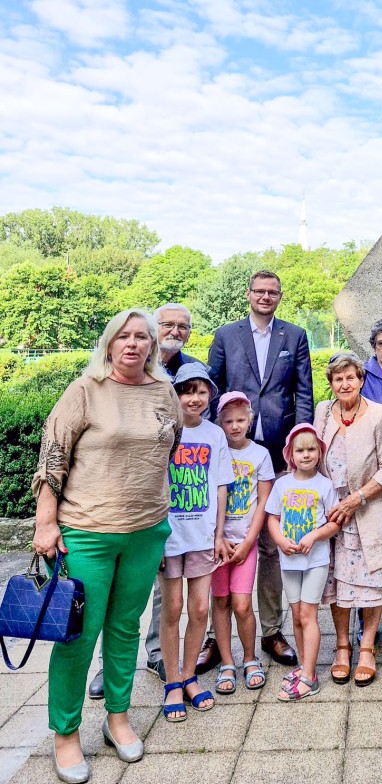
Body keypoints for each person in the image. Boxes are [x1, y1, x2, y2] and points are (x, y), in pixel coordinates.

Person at [31, 309, 182, 782]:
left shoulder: (165, 391)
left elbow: (170, 446)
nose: (133, 344)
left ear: (153, 347)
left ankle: (118, 719)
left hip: (146, 530)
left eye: (143, 337)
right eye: (124, 336)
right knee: (78, 634)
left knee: (125, 630)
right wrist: (46, 522)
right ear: (110, 343)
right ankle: (66, 734)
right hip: (87, 533)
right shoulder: (85, 390)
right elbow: (53, 453)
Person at [89, 302, 200, 699]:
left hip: (160, 502)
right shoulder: (105, 379)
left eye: (182, 326)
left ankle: (156, 653)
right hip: (110, 508)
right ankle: (106, 666)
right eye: (167, 323)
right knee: (114, 591)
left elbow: (178, 442)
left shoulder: (186, 373)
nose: (176, 330)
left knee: (160, 586)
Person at [207, 270, 314, 669]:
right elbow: (212, 389)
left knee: (270, 542)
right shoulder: (225, 335)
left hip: (277, 449)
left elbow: (304, 391)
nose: (266, 297)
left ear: (280, 296)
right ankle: (215, 640)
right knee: (218, 535)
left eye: (273, 292)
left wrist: (300, 446)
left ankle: (271, 631)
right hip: (232, 448)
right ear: (248, 294)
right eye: (260, 291)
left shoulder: (295, 336)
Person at [313, 352, 382, 686]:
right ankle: (341, 646)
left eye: (350, 377)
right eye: (338, 378)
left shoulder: (379, 414)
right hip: (331, 515)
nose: (345, 383)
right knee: (336, 583)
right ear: (331, 383)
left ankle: (366, 647)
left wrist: (357, 498)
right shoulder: (323, 412)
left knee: (371, 583)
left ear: (361, 379)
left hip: (367, 510)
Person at [160, 362, 234, 722]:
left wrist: (219, 534)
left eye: (201, 391)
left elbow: (221, 485)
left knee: (200, 609)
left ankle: (189, 674)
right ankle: (171, 679)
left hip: (203, 535)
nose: (194, 398)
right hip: (170, 537)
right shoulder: (165, 432)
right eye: (187, 391)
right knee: (171, 608)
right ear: (175, 393)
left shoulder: (215, 434)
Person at [266, 424, 340, 701]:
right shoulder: (282, 484)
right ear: (290, 454)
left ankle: (309, 677)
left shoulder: (325, 485)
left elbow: (334, 523)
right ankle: (303, 667)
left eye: (311, 449)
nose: (306, 455)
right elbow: (272, 518)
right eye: (300, 450)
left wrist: (315, 535)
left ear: (319, 453)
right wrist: (280, 541)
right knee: (296, 616)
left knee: (308, 616)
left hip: (315, 562)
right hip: (289, 562)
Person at [211, 391, 275, 695]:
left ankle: (250, 658)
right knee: (220, 602)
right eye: (228, 421)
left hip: (244, 542)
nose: (235, 426)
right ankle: (227, 662)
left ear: (250, 421)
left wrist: (250, 541)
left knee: (242, 603)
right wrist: (218, 537)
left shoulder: (260, 455)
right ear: (220, 422)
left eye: (240, 420)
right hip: (216, 545)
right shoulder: (215, 451)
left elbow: (264, 501)